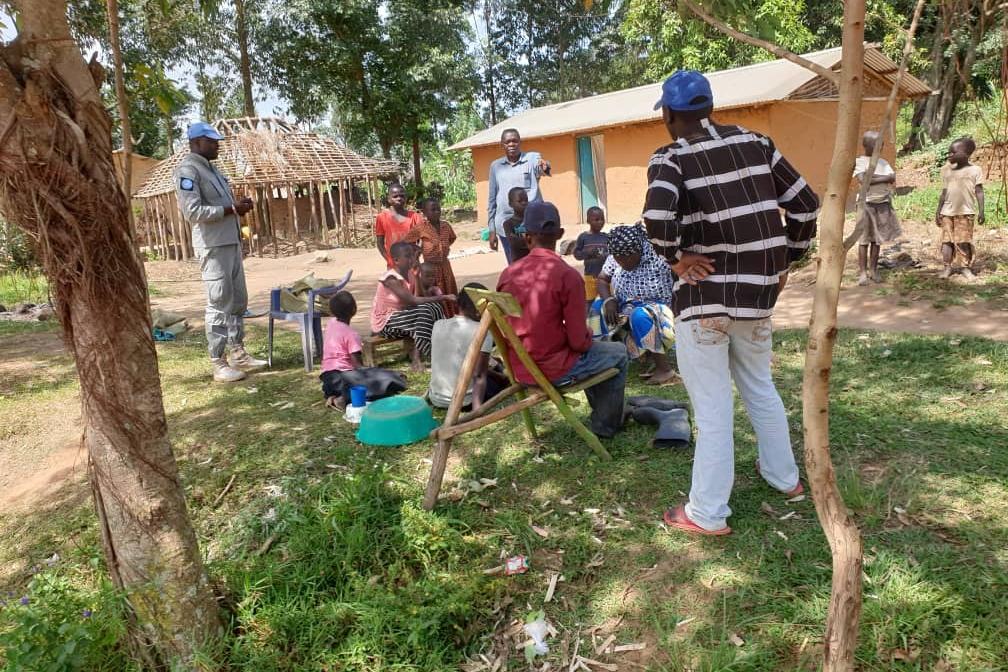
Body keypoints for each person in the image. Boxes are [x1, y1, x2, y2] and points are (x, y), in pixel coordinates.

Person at [643, 71, 820, 536]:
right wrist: (786, 260)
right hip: (758, 297)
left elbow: (657, 217)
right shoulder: (757, 143)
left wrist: (677, 259)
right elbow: (806, 204)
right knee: (760, 386)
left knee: (713, 409)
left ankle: (706, 512)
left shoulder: (671, 157)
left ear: (668, 114)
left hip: (705, 302)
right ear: (709, 106)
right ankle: (784, 478)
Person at [497, 201, 628, 439]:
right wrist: (589, 336)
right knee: (617, 352)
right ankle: (606, 424)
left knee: (597, 351)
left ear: (526, 236)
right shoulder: (567, 276)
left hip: (519, 367)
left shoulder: (508, 274)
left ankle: (603, 412)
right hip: (552, 369)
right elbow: (579, 343)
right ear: (560, 234)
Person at [175, 121, 265, 383]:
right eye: (211, 141)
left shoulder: (213, 170)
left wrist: (237, 207)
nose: (217, 146)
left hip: (230, 243)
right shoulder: (188, 171)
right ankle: (219, 362)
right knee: (218, 303)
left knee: (238, 301)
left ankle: (238, 353)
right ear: (196, 143)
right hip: (213, 246)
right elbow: (192, 212)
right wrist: (231, 209)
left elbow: (224, 206)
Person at [589, 225, 677, 385]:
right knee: (596, 309)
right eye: (618, 259)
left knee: (639, 314)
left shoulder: (659, 256)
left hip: (659, 312)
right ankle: (602, 362)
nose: (622, 262)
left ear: (638, 250)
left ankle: (664, 370)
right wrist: (609, 300)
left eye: (626, 258)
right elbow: (602, 279)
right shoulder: (616, 255)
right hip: (625, 307)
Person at [371, 242, 456, 371]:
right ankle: (425, 356)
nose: (412, 259)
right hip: (386, 323)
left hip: (405, 318)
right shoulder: (390, 279)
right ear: (396, 260)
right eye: (407, 256)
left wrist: (416, 277)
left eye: (412, 255)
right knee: (426, 310)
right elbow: (412, 301)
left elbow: (419, 297)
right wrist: (443, 297)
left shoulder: (410, 274)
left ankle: (432, 351)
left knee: (434, 307)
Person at [319, 291, 406, 411]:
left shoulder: (331, 323)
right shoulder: (351, 335)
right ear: (354, 310)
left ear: (332, 312)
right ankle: (342, 399)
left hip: (328, 379)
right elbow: (358, 366)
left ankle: (334, 395)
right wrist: (377, 373)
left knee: (379, 377)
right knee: (382, 381)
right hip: (344, 378)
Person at [428, 283, 509, 411]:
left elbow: (462, 364)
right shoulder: (482, 331)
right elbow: (479, 375)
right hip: (464, 401)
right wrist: (477, 411)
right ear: (481, 309)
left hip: (436, 398)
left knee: (493, 363)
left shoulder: (438, 324)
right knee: (500, 376)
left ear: (459, 303)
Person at [487, 129, 550, 263]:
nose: (511, 144)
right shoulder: (496, 166)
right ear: (502, 145)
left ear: (520, 142)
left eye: (515, 141)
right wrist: (492, 230)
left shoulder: (531, 158)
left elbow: (541, 167)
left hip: (531, 223)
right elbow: (492, 199)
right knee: (514, 264)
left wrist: (545, 167)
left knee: (537, 263)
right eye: (507, 142)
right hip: (506, 225)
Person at [853, 131, 902, 285]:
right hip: (866, 205)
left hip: (882, 204)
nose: (879, 147)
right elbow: (863, 180)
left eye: (881, 144)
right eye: (875, 144)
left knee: (877, 240)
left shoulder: (883, 163)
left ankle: (873, 270)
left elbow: (892, 178)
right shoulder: (860, 162)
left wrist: (872, 176)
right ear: (866, 145)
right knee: (864, 240)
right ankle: (863, 272)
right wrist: (884, 178)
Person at [936, 137, 984, 280]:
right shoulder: (947, 170)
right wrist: (938, 211)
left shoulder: (975, 170)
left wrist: (981, 211)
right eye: (949, 152)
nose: (950, 155)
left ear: (966, 153)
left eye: (953, 152)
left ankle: (965, 268)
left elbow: (979, 191)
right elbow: (944, 192)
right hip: (947, 212)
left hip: (965, 212)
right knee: (946, 241)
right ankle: (947, 267)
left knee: (963, 241)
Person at [404, 197, 458, 315]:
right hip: (430, 268)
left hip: (445, 266)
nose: (437, 212)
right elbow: (407, 241)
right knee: (434, 292)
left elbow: (452, 238)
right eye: (433, 210)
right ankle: (438, 316)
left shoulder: (446, 226)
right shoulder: (421, 227)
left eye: (438, 209)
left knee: (449, 289)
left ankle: (451, 315)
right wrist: (419, 249)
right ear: (424, 212)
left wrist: (442, 248)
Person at [375, 183, 423, 268]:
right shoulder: (382, 218)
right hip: (393, 265)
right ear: (389, 199)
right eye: (395, 196)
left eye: (402, 196)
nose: (399, 198)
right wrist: (389, 260)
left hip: (412, 264)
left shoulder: (415, 217)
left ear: (406, 198)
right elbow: (380, 243)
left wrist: (415, 256)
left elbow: (422, 239)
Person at [573, 206, 609, 310]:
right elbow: (577, 254)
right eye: (596, 219)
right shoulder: (583, 237)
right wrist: (587, 253)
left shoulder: (606, 237)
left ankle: (606, 319)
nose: (600, 222)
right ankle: (588, 319)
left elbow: (611, 254)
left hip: (605, 277)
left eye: (602, 219)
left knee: (607, 300)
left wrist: (604, 255)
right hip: (590, 277)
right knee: (589, 301)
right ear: (588, 220)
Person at [502, 187, 531, 263]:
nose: (524, 203)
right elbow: (514, 242)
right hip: (518, 262)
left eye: (526, 200)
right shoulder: (508, 224)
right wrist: (531, 240)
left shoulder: (532, 220)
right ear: (510, 204)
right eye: (520, 201)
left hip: (533, 261)